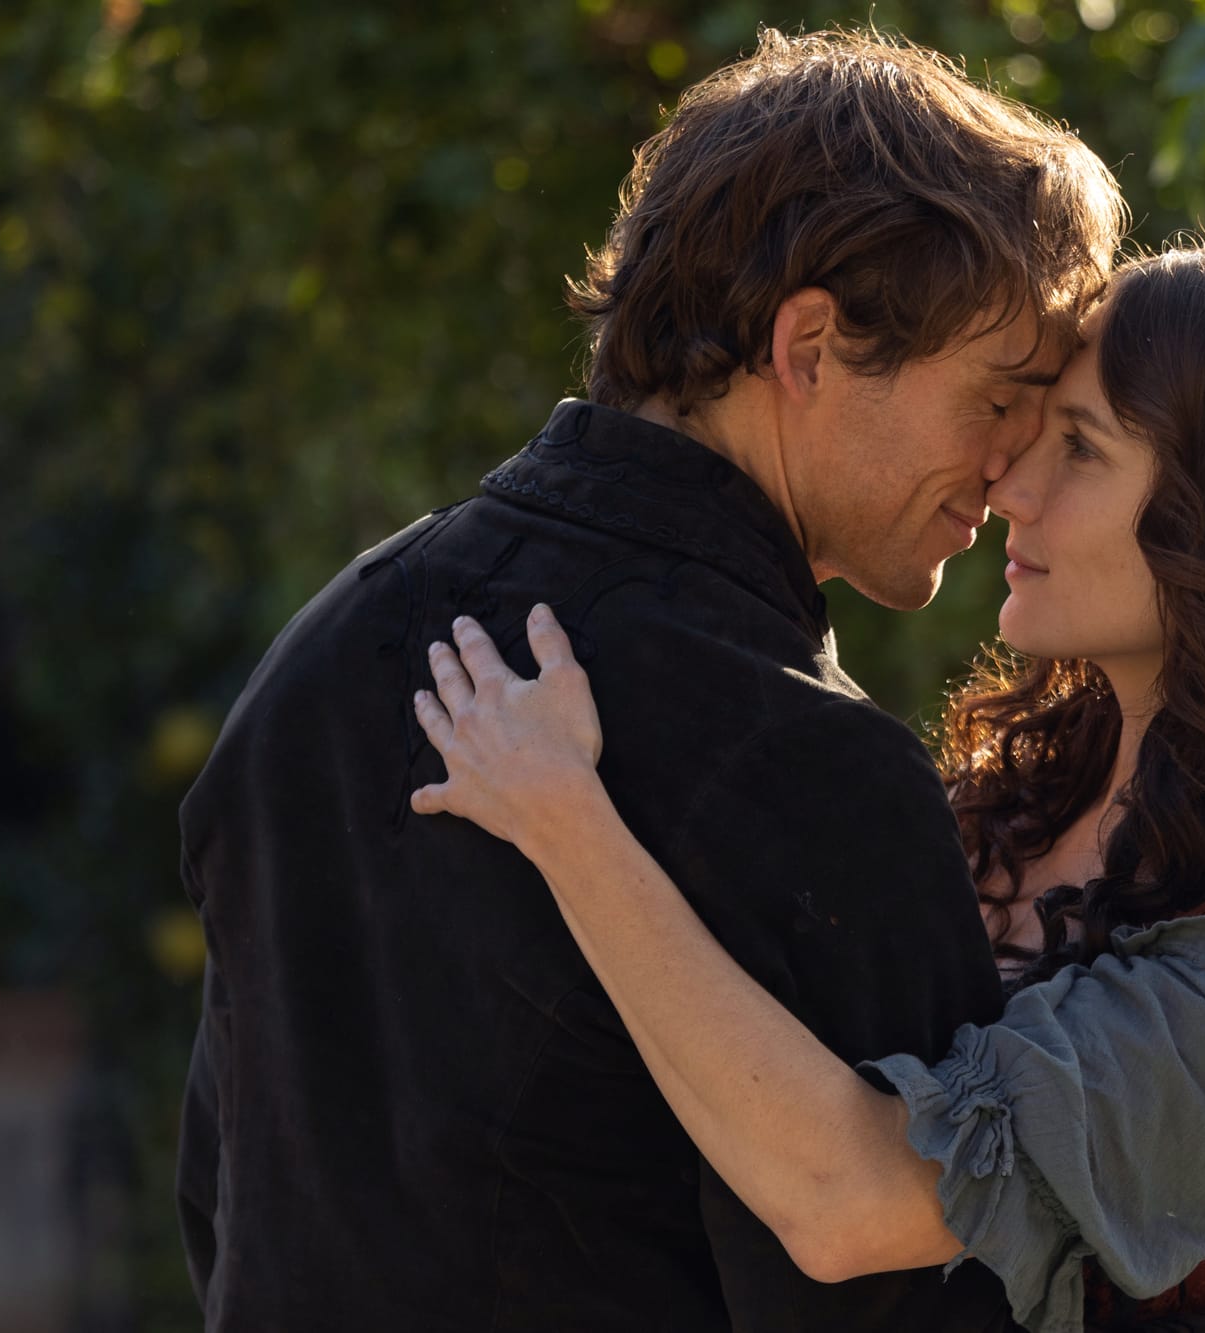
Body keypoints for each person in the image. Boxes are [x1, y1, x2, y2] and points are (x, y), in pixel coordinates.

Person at [406, 243, 1205, 1332]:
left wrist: (569, 824)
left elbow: (851, 1202)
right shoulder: (1012, 805)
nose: (1007, 482)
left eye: (1081, 446)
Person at [175, 28, 1124, 1331]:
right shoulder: (815, 767)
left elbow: (224, 1204)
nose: (1015, 470)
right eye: (1002, 397)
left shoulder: (319, 659)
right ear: (810, 348)